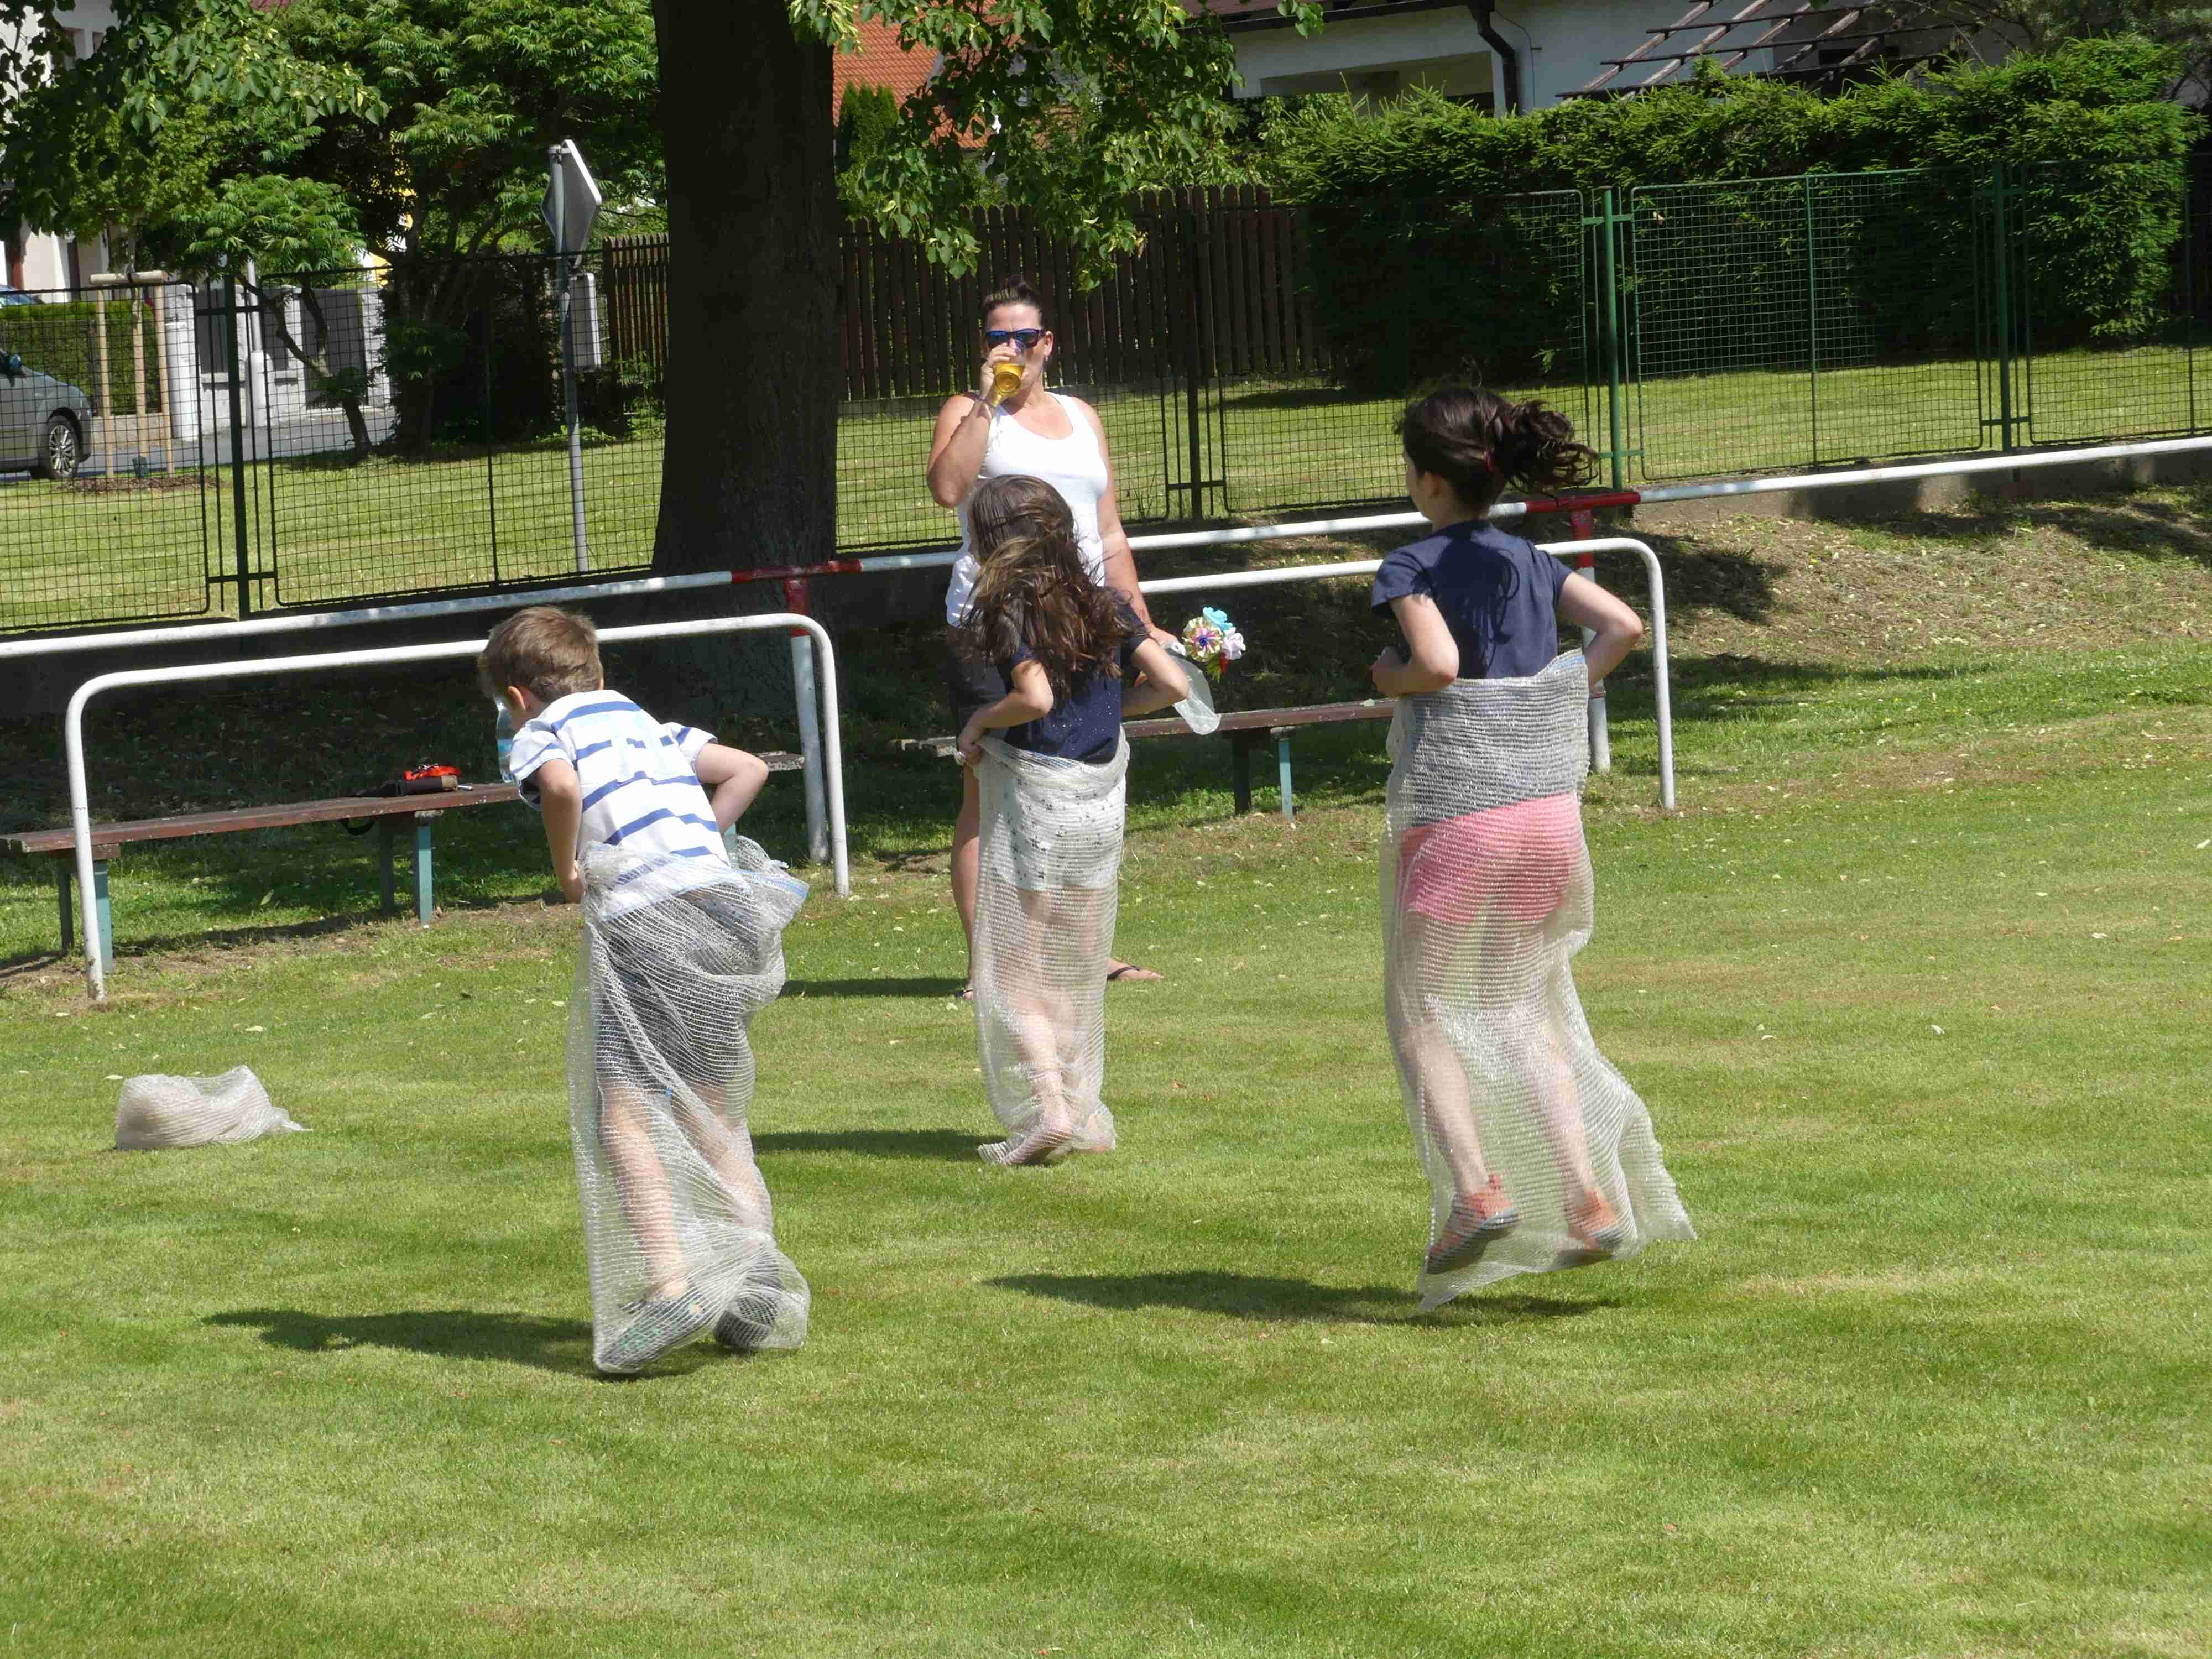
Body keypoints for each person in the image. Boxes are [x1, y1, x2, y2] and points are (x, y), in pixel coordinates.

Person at [1369, 387, 1694, 1307]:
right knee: (1520, 1003)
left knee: (1421, 1006)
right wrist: (1557, 694)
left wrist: (1390, 676)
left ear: (1429, 479)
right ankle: (1588, 1198)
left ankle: (1476, 1193)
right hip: (1549, 818)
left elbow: (1436, 666)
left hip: (1461, 816)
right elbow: (1623, 626)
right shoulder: (1532, 561)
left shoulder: (1412, 564)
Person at [479, 606, 810, 1374]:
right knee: (712, 1112)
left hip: (648, 924)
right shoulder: (647, 723)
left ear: (516, 696)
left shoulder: (543, 730)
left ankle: (671, 1288)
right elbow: (748, 770)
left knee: (623, 1114)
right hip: (725, 912)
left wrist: (569, 870)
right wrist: (701, 845)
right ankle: (753, 1281)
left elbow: (560, 786)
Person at [927, 275, 1171, 996]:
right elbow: (946, 491)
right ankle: (990, 967)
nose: (1012, 349)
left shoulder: (1081, 415)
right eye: (997, 338)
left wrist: (1141, 622)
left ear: (1049, 344)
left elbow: (1109, 531)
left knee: (1075, 791)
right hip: (995, 623)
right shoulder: (969, 410)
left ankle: (1083, 952)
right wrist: (986, 402)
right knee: (990, 793)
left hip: (1082, 621)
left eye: (1024, 337)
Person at [952, 474, 1191, 1165]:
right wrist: (1117, 709)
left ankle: (1049, 1111)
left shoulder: (1006, 607)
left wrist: (980, 719)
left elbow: (1033, 697)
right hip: (1099, 808)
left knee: (1013, 967)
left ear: (992, 541)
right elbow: (1173, 684)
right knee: (1074, 968)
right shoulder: (1103, 601)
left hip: (1036, 807)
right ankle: (1080, 1109)